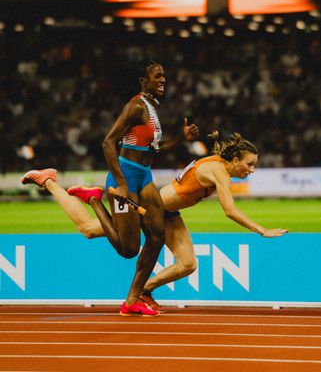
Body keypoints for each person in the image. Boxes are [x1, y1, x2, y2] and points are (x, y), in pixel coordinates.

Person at [21, 131, 288, 313]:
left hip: (167, 213)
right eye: (250, 164)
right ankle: (53, 183)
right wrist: (261, 230)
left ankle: (145, 292)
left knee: (187, 264)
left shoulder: (220, 166)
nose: (251, 170)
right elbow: (229, 211)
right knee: (89, 229)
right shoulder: (219, 170)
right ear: (235, 159)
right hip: (150, 210)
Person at [22, 60, 199, 317]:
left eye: (164, 76)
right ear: (143, 81)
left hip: (144, 176)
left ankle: (132, 300)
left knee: (158, 235)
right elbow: (108, 143)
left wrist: (183, 138)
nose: (163, 80)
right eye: (157, 76)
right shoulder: (136, 106)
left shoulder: (151, 108)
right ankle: (94, 200)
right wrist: (123, 184)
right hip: (125, 177)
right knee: (128, 249)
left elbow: (154, 150)